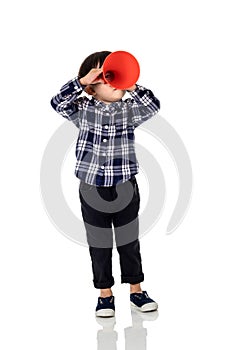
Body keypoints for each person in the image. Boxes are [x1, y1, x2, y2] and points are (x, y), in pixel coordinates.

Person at [50, 51, 160, 317]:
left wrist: (131, 84)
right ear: (91, 85)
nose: (111, 79)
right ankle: (105, 295)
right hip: (91, 188)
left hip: (125, 185)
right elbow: (57, 103)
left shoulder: (129, 110)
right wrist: (80, 81)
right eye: (104, 75)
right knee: (99, 243)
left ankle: (136, 290)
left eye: (114, 73)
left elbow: (153, 105)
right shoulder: (83, 109)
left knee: (128, 240)